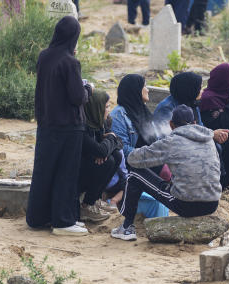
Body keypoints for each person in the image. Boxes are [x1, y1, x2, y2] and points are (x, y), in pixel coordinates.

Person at [111, 105, 222, 241]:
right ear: (194, 122)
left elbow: (134, 159)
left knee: (135, 174)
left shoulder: (171, 141)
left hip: (186, 205)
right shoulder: (209, 140)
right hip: (212, 203)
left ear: (171, 124)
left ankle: (127, 227)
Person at [26, 16, 90, 235]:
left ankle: (37, 217)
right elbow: (76, 97)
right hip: (68, 126)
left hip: (46, 123)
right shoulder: (70, 62)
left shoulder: (44, 56)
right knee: (66, 173)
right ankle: (63, 222)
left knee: (44, 171)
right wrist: (87, 90)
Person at [77, 89, 123, 224]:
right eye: (106, 106)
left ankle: (95, 199)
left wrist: (110, 140)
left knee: (116, 156)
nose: (109, 110)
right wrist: (108, 143)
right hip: (77, 174)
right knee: (108, 161)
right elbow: (102, 151)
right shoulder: (83, 128)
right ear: (96, 108)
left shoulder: (102, 123)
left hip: (89, 168)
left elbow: (119, 142)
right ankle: (86, 206)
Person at [109, 74, 161, 161]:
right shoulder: (118, 115)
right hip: (134, 163)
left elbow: (156, 139)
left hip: (150, 159)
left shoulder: (143, 110)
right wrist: (150, 155)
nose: (147, 90)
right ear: (135, 89)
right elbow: (122, 149)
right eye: (144, 86)